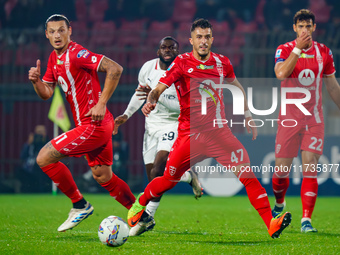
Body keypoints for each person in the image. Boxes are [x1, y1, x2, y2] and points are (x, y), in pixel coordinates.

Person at [127, 18, 292, 239]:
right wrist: (152, 100)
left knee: (248, 176)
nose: (203, 41)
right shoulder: (181, 63)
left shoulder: (223, 63)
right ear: (191, 40)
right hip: (190, 137)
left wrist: (247, 115)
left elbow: (237, 87)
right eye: (199, 37)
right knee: (167, 179)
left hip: (219, 134)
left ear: (212, 39)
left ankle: (271, 223)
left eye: (207, 37)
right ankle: (141, 202)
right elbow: (159, 87)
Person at [28, 14, 136, 232]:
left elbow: (115, 69)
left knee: (44, 158)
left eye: (61, 30)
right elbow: (47, 93)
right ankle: (140, 215)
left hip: (93, 124)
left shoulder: (77, 53)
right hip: (95, 125)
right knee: (103, 176)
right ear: (46, 35)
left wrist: (101, 103)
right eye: (52, 31)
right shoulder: (53, 58)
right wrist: (37, 82)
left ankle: (80, 205)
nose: (57, 35)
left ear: (70, 31)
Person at [114, 36, 202, 236]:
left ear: (178, 52)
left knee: (157, 170)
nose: (168, 50)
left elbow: (186, 102)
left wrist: (157, 99)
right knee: (154, 178)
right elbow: (140, 94)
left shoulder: (184, 71)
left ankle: (147, 219)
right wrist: (126, 116)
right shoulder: (147, 68)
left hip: (174, 122)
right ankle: (188, 176)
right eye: (164, 47)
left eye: (172, 47)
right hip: (151, 125)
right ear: (158, 51)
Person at [271, 9, 340, 233]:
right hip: (289, 120)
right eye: (301, 26)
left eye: (308, 26)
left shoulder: (324, 52)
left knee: (310, 166)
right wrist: (298, 50)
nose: (304, 30)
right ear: (295, 28)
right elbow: (281, 74)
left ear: (314, 28)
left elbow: (331, 85)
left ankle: (306, 220)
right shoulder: (284, 49)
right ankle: (279, 203)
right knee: (281, 172)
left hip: (314, 119)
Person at [18, 125, 51, 192]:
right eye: (38, 132)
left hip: (43, 170)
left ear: (45, 133)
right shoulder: (31, 144)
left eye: (42, 132)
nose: (40, 134)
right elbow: (22, 156)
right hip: (30, 171)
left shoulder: (48, 143)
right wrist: (28, 143)